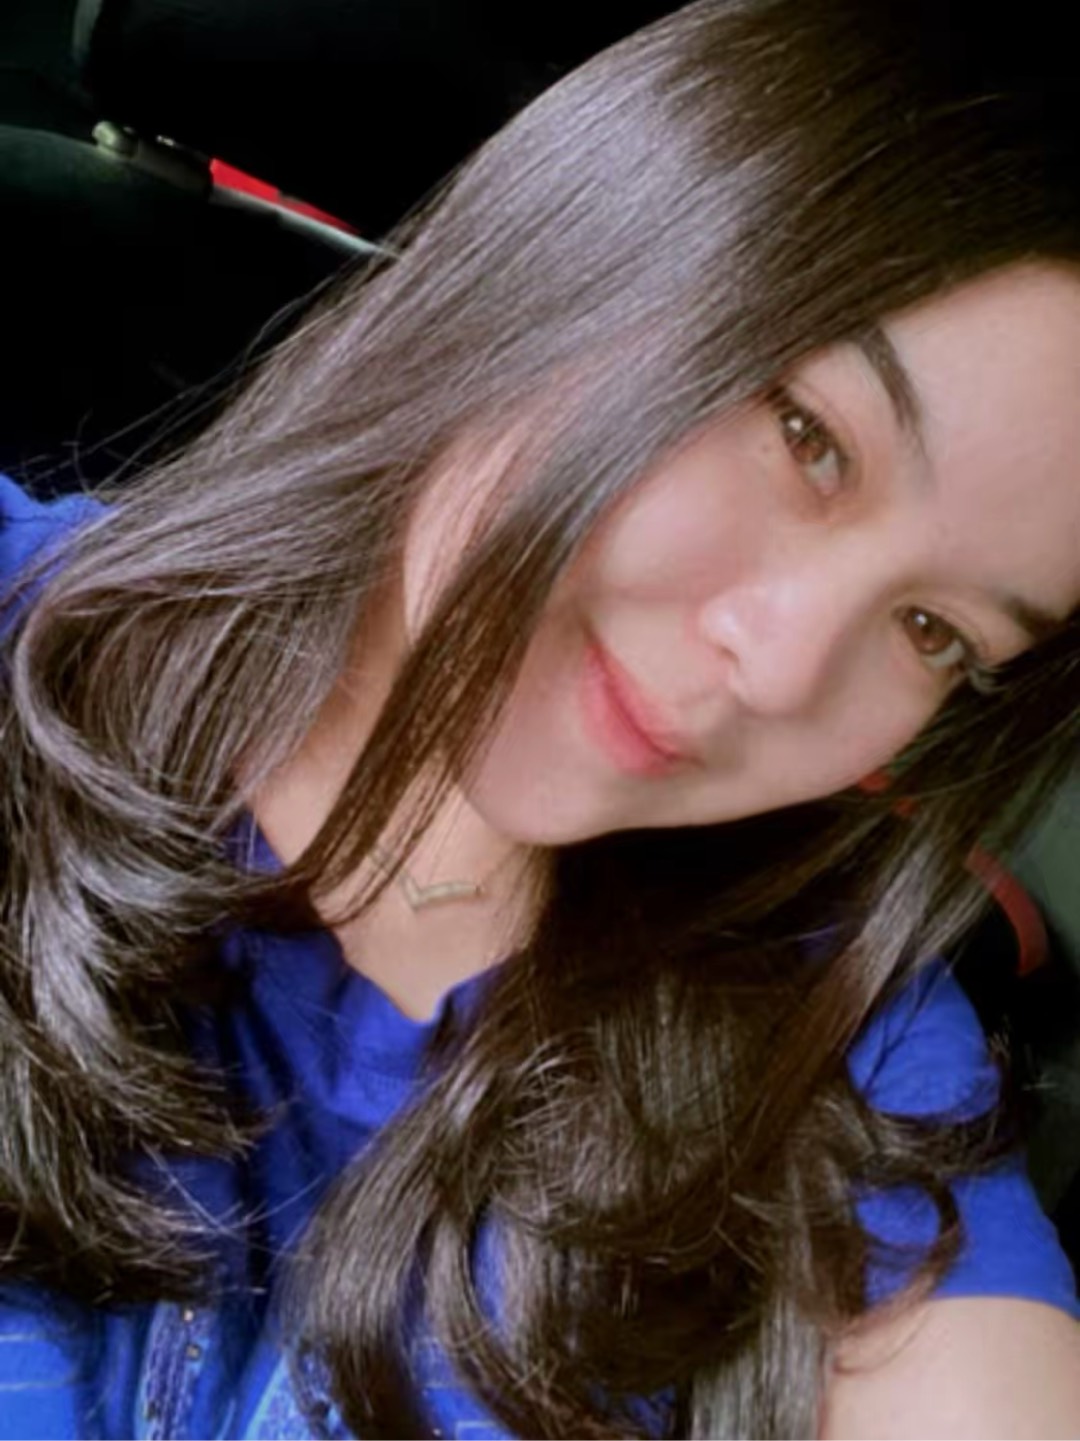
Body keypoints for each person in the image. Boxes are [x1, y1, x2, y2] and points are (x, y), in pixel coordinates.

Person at [2, 0, 1080, 1435]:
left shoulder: (835, 1025)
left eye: (934, 631)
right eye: (808, 436)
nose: (778, 670)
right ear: (590, 244)